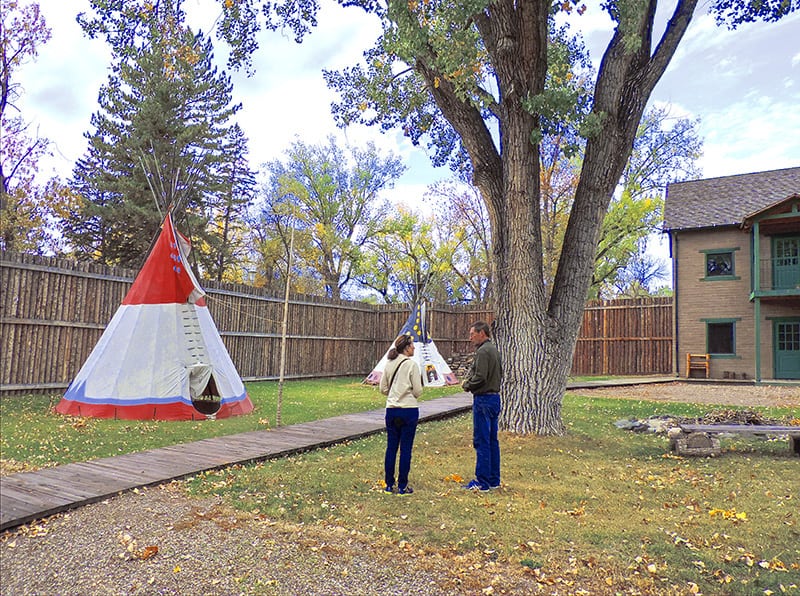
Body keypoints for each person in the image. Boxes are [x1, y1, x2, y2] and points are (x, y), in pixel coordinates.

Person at [461, 320, 502, 491]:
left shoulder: (483, 352)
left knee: (482, 440)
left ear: (482, 333)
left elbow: (480, 377)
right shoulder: (494, 350)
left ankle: (482, 481)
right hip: (494, 398)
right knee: (492, 440)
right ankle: (494, 479)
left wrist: (467, 385)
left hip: (484, 400)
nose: (470, 338)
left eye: (472, 334)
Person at [379, 333, 422, 495]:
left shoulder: (389, 364)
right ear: (406, 348)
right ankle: (403, 485)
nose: (414, 348)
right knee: (405, 449)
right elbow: (418, 390)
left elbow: (382, 388)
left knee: (391, 448)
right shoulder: (412, 365)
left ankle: (389, 484)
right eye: (412, 345)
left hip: (392, 409)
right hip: (409, 410)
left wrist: (393, 393)